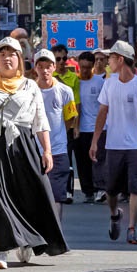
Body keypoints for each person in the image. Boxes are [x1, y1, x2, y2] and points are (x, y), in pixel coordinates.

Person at [0, 38, 69, 269]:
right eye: (3, 54)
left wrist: (46, 150)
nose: (7, 58)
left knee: (30, 192)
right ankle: (0, 250)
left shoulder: (30, 87)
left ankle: (27, 239)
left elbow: (40, 120)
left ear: (20, 60)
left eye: (12, 54)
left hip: (23, 144)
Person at [90, 41, 137, 245]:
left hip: (135, 146)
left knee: (136, 188)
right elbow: (102, 112)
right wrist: (95, 141)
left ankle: (132, 228)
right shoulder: (109, 83)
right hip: (113, 145)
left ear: (120, 59)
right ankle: (114, 215)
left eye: (110, 57)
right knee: (110, 190)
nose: (108, 61)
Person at [33, 49, 77, 220]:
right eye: (41, 66)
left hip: (58, 151)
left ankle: (56, 234)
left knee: (57, 196)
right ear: (35, 67)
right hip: (33, 151)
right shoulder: (28, 91)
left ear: (54, 67)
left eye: (48, 66)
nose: (45, 70)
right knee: (36, 196)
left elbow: (70, 118)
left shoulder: (65, 91)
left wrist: (57, 137)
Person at [50, 44, 81, 204]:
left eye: (64, 58)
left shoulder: (73, 78)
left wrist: (75, 126)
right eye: (58, 59)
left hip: (66, 125)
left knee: (66, 158)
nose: (62, 62)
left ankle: (67, 190)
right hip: (49, 127)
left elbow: (76, 104)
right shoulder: (47, 76)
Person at [73, 51, 105, 203]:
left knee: (97, 160)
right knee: (82, 162)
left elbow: (105, 106)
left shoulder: (100, 82)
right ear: (78, 64)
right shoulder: (74, 82)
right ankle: (88, 191)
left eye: (88, 67)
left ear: (93, 66)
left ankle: (100, 188)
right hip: (80, 129)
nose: (85, 70)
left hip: (97, 129)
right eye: (82, 67)